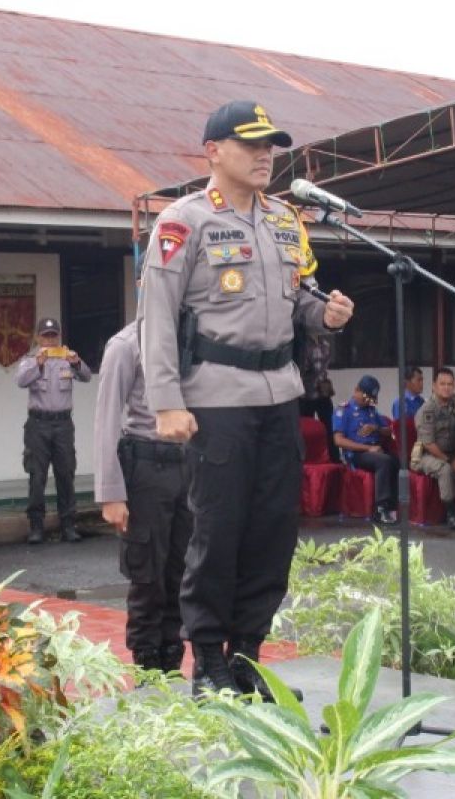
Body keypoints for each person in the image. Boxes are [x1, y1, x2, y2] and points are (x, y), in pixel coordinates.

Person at [137, 100, 354, 697]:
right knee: (219, 528)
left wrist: (325, 313)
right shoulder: (184, 222)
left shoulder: (286, 220)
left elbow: (299, 300)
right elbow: (155, 317)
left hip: (279, 393)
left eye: (271, 146)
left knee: (273, 529)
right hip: (215, 397)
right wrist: (166, 402)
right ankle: (207, 659)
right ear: (213, 151)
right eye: (252, 144)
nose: (266, 156)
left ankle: (248, 654)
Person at [93, 320, 191, 673]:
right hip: (147, 464)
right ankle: (148, 666)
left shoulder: (193, 336)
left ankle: (172, 657)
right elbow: (106, 417)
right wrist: (110, 492)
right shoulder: (126, 344)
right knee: (148, 571)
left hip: (188, 464)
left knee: (183, 570)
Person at [15, 317, 91, 544]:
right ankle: (36, 526)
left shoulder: (67, 358)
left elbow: (86, 376)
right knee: (37, 476)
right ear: (38, 338)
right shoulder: (30, 360)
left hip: (63, 424)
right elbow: (20, 381)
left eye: (54, 335)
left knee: (66, 474)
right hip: (38, 424)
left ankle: (68, 525)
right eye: (46, 336)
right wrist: (38, 364)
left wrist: (76, 362)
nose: (50, 340)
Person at [333, 376, 397, 526]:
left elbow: (390, 431)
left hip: (375, 451)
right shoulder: (344, 410)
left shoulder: (371, 410)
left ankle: (392, 507)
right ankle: (380, 509)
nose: (368, 401)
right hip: (357, 454)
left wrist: (376, 428)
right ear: (357, 390)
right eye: (366, 397)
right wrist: (369, 448)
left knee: (396, 460)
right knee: (384, 461)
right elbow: (338, 440)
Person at [411, 368, 455, 529]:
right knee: (445, 470)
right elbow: (428, 443)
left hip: (452, 454)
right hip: (426, 455)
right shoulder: (427, 410)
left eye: (450, 384)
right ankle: (451, 513)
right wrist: (450, 461)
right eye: (442, 384)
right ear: (434, 386)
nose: (447, 388)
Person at [297, 332, 339, 462]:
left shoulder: (325, 344)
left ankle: (334, 458)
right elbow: (305, 368)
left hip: (321, 392)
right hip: (305, 393)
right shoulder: (302, 345)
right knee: (305, 428)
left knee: (329, 426)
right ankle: (306, 458)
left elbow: (322, 365)